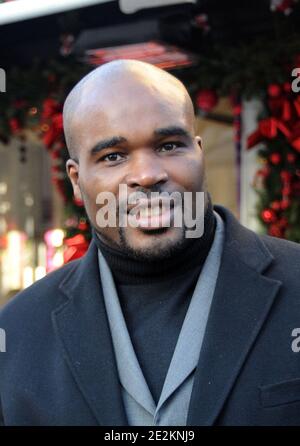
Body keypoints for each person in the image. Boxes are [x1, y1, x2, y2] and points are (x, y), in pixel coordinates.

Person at [0, 60, 300, 426]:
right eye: (113, 156)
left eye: (170, 145)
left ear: (200, 152)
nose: (146, 175)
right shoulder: (18, 334)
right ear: (77, 181)